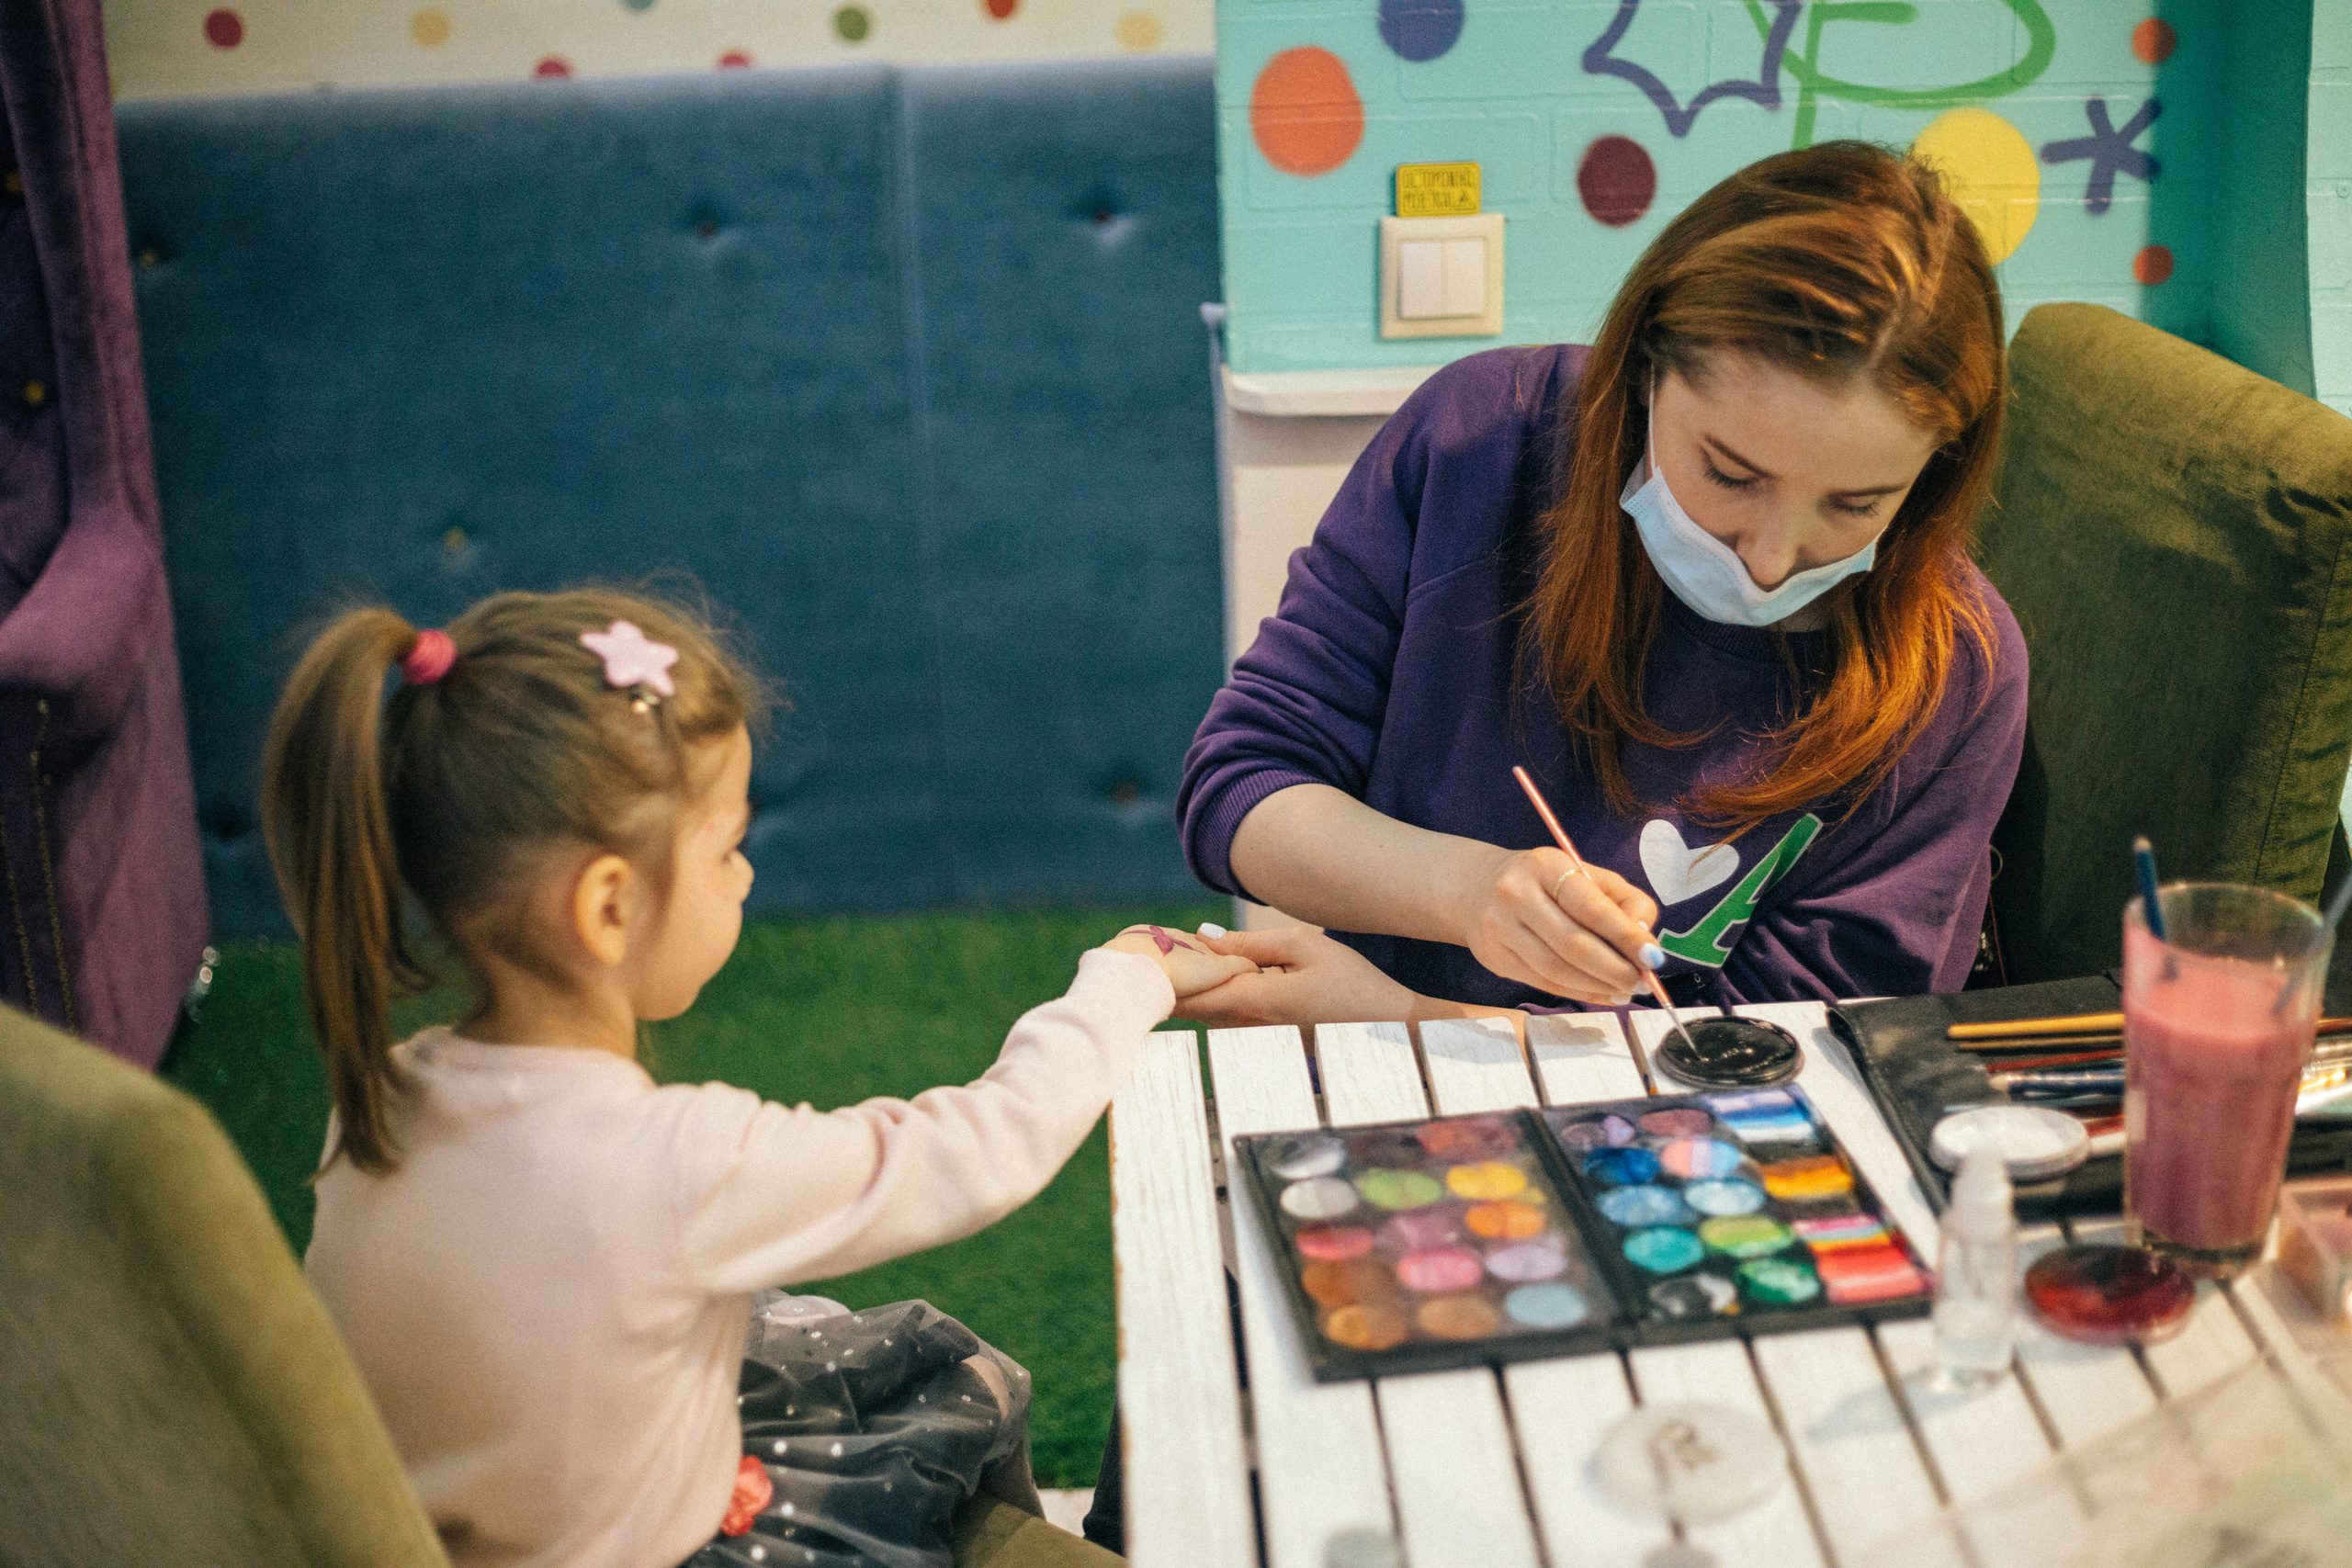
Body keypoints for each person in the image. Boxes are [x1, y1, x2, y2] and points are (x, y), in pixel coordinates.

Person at [263, 587, 1253, 1568]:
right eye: (727, 849)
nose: (744, 876)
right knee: (933, 1374)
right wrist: (1127, 976)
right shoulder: (668, 1162)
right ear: (607, 906)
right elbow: (975, 1149)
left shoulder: (384, 1088)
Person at [1177, 141, 2029, 1029]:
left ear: (1936, 475)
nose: (1770, 560)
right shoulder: (1481, 445)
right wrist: (1467, 891)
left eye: (1856, 504)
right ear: (1644, 369)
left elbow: (1810, 1051)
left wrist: (1417, 1020)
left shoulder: (1956, 674)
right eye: (1730, 476)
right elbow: (1242, 785)